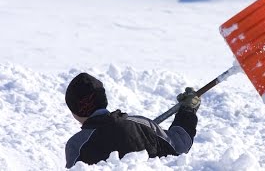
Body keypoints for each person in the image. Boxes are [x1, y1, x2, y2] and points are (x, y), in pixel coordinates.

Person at [65, 72, 201, 168]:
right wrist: (188, 110)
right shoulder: (142, 125)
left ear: (75, 111)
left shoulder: (76, 145)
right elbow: (180, 145)